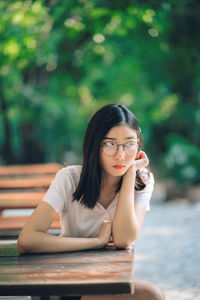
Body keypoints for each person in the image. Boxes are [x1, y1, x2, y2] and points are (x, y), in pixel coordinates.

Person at [18, 104, 165, 300]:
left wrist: (130, 174)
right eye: (110, 144)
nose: (121, 155)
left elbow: (123, 239)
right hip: (67, 282)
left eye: (129, 144)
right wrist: (95, 242)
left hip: (108, 281)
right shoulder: (69, 178)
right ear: (95, 145)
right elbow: (26, 240)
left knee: (152, 295)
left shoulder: (142, 181)